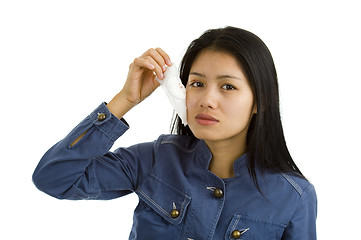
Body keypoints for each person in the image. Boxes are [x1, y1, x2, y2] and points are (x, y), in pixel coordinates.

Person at [33, 26, 317, 239]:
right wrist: (124, 100)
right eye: (197, 84)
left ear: (261, 101)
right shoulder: (156, 159)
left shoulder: (295, 197)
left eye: (227, 87)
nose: (207, 100)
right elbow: (54, 178)